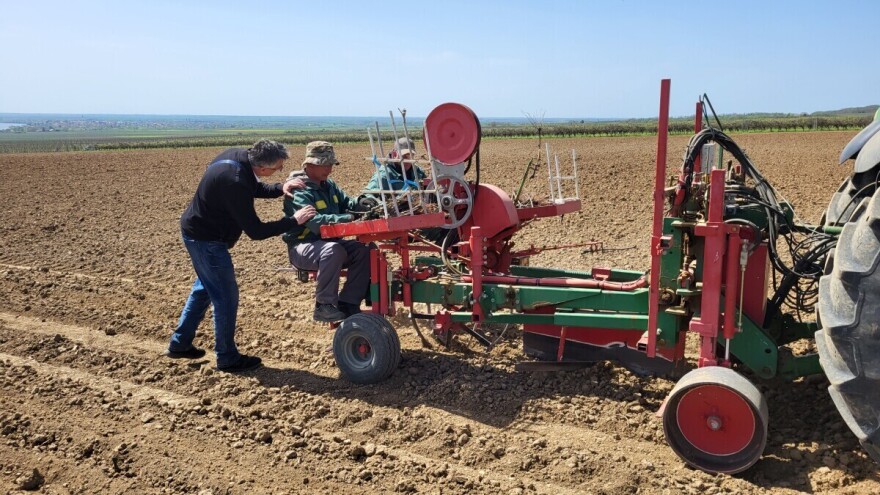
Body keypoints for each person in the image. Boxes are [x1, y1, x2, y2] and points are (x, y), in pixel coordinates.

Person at [169, 139, 316, 372]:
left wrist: (280, 187)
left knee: (204, 289)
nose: (279, 171)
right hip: (207, 240)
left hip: (199, 232)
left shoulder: (239, 157)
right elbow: (256, 231)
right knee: (226, 297)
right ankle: (227, 357)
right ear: (262, 167)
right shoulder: (234, 181)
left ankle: (179, 343)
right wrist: (293, 221)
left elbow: (253, 187)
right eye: (277, 168)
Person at [283, 141, 372, 322]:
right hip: (303, 246)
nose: (329, 168)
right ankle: (323, 306)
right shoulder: (299, 190)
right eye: (324, 164)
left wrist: (364, 204)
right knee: (333, 250)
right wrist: (347, 218)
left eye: (330, 164)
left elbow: (349, 204)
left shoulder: (329, 185)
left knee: (366, 249)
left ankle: (349, 302)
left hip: (330, 242)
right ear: (308, 165)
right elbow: (315, 224)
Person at [365, 137, 458, 246]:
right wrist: (373, 202)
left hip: (417, 218)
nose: (408, 160)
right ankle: (450, 255)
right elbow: (368, 195)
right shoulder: (384, 175)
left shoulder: (416, 171)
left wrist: (443, 191)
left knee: (453, 226)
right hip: (396, 224)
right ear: (395, 154)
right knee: (446, 231)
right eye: (405, 156)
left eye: (411, 156)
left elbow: (430, 187)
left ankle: (451, 255)